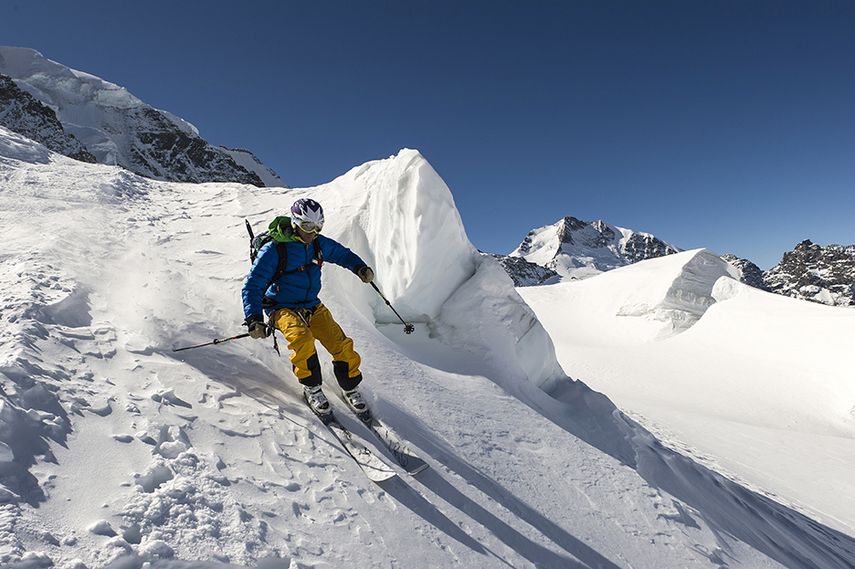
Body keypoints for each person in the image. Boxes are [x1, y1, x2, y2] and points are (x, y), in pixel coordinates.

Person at [242, 198, 375, 419]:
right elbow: (252, 285)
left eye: (317, 227)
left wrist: (359, 267)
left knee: (340, 343)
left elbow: (342, 254)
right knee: (302, 339)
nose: (312, 232)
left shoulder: (318, 244)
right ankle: (312, 387)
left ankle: (350, 386)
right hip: (281, 307)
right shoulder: (274, 250)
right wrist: (254, 318)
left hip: (311, 304)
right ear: (295, 223)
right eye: (307, 226)